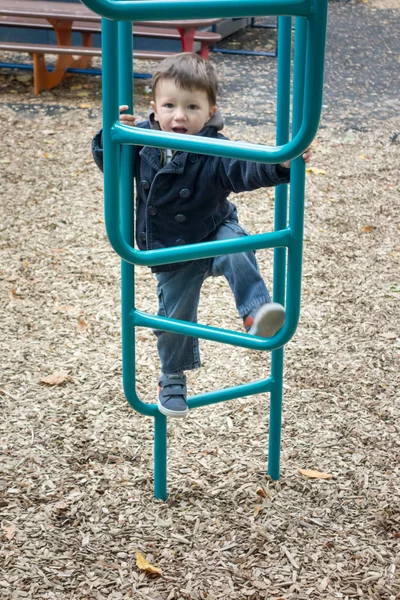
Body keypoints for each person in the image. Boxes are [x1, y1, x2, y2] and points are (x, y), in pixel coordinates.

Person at [92, 52, 311, 419]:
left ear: (210, 111)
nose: (180, 116)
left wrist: (281, 163)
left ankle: (256, 312)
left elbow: (243, 167)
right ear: (154, 109)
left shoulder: (214, 147)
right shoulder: (139, 139)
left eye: (192, 106)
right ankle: (172, 377)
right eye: (170, 105)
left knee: (237, 245)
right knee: (175, 315)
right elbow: (108, 164)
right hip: (168, 248)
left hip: (211, 230)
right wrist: (111, 136)